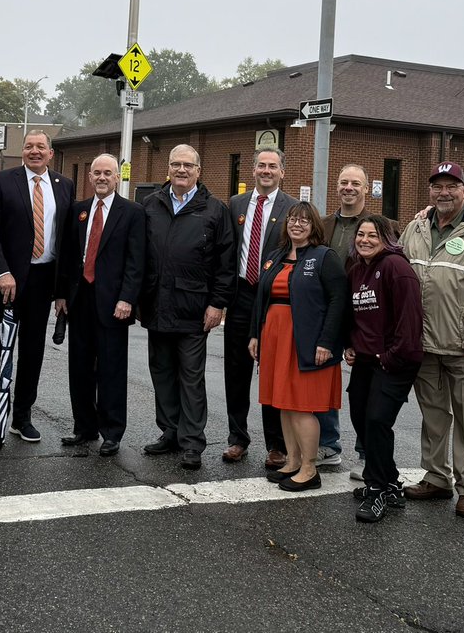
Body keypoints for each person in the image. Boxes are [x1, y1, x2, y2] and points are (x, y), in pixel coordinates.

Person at [400, 162, 464, 520]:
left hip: (463, 344)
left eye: (451, 186)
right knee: (434, 416)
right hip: (423, 344)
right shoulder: (416, 226)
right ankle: (436, 477)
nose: (444, 192)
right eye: (438, 186)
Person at [0, 130, 75, 444]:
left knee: (33, 353)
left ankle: (22, 417)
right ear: (23, 152)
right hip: (8, 283)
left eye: (40, 147)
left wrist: (61, 291)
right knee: (2, 352)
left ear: (50, 152)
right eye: (29, 146)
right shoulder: (3, 182)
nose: (34, 151)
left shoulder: (64, 186)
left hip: (43, 281)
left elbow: (67, 241)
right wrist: (1, 272)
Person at [140, 144, 235, 471]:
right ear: (168, 168)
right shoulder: (151, 204)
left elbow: (225, 264)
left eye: (188, 165)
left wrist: (217, 304)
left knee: (191, 378)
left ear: (198, 170)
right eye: (176, 164)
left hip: (194, 308)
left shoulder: (214, 209)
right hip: (156, 305)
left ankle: (192, 443)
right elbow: (140, 256)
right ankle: (170, 432)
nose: (181, 170)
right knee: (162, 373)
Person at [248, 202, 348, 492]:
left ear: (313, 226)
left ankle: (309, 468)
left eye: (305, 220)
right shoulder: (276, 256)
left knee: (303, 406)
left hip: (307, 342)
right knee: (283, 403)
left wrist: (327, 342)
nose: (297, 224)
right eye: (293, 219)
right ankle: (292, 462)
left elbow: (338, 301)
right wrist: (256, 334)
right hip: (276, 338)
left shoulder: (323, 257)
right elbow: (261, 299)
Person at [55, 154, 146, 456]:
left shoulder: (132, 212)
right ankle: (84, 427)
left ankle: (111, 432)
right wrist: (61, 294)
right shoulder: (78, 211)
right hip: (80, 300)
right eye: (97, 173)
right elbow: (66, 257)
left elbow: (136, 261)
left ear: (117, 177)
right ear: (90, 177)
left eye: (108, 172)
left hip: (113, 302)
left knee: (111, 369)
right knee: (79, 367)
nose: (102, 178)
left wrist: (127, 298)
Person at [344, 216, 424, 522]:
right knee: (361, 418)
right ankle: (390, 481)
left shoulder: (396, 267)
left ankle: (376, 489)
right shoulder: (356, 270)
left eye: (372, 235)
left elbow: (410, 319)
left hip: (396, 360)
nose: (364, 240)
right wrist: (351, 345)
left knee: (377, 420)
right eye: (361, 234)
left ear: (387, 239)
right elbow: (355, 318)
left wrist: (390, 357)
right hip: (366, 359)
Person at [222, 147, 296, 467]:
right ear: (252, 170)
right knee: (236, 372)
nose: (266, 171)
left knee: (271, 372)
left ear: (282, 172)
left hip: (273, 300)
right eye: (261, 165)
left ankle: (276, 444)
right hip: (240, 296)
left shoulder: (292, 208)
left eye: (273, 166)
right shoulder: (236, 204)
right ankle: (237, 438)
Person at [313, 163, 372, 473]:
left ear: (366, 189)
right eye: (344, 182)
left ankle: (366, 455)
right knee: (322, 381)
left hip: (365, 317)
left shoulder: (382, 225)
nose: (349, 188)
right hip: (328, 316)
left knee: (364, 390)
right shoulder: (321, 225)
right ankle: (328, 445)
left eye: (355, 183)